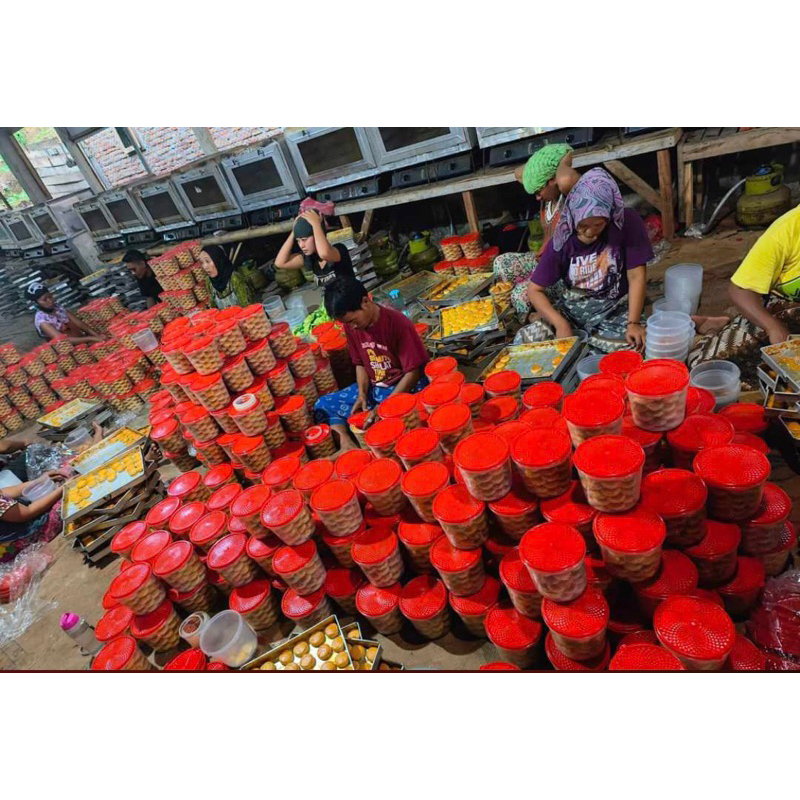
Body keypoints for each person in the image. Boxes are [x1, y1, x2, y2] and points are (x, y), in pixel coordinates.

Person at [525, 167, 653, 352]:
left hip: (615, 309)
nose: (590, 232)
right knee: (529, 340)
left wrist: (633, 323)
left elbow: (636, 276)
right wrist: (560, 324)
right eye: (583, 226)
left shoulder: (625, 222)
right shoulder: (563, 238)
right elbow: (534, 290)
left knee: (637, 346)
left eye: (598, 224)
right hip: (574, 310)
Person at [314, 278, 429, 452]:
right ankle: (346, 443)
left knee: (395, 429)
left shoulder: (397, 323)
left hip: (403, 387)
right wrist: (361, 394)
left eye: (353, 320)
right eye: (347, 323)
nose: (352, 326)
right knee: (322, 405)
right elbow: (360, 363)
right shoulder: (352, 327)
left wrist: (385, 407)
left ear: (365, 302)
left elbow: (413, 372)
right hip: (375, 389)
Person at [496, 144, 582, 319]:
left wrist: (564, 156)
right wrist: (543, 161)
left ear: (553, 180)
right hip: (543, 260)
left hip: (562, 271)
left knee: (520, 294)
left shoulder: (569, 196)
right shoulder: (547, 199)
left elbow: (566, 177)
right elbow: (518, 172)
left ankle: (542, 316)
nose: (537, 197)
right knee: (501, 263)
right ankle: (540, 301)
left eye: (538, 191)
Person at [729, 204, 800, 344]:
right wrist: (773, 327)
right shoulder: (785, 231)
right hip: (784, 305)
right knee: (724, 353)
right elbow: (740, 289)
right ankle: (712, 327)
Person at [0, 469, 69, 563]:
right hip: (25, 537)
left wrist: (41, 480)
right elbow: (28, 512)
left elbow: (11, 490)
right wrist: (63, 488)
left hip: (24, 520)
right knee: (65, 501)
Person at [275, 209, 355, 287]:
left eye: (304, 240)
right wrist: (293, 232)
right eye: (298, 241)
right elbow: (280, 263)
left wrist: (316, 225)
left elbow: (324, 254)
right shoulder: (310, 258)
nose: (301, 245)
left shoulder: (339, 249)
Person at [27, 282, 104, 344]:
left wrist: (96, 335)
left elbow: (79, 323)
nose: (50, 301)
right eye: (44, 300)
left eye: (50, 296)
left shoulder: (58, 307)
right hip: (68, 350)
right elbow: (63, 340)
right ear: (36, 303)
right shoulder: (42, 321)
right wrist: (91, 338)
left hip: (82, 339)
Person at [199, 245, 258, 309]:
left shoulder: (234, 278)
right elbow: (213, 308)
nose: (205, 267)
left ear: (218, 261)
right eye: (202, 263)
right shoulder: (209, 282)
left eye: (207, 261)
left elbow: (247, 307)